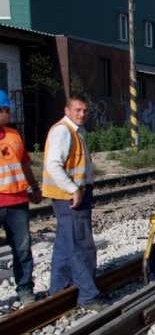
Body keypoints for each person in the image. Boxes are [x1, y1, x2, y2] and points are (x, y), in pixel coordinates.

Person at [42, 93, 102, 308]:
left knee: (64, 245)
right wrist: (73, 189)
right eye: (77, 110)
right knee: (81, 245)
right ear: (67, 110)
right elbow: (53, 164)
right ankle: (88, 296)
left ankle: (59, 290)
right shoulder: (63, 131)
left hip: (67, 198)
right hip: (71, 198)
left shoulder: (74, 131)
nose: (82, 114)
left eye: (85, 110)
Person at [0, 90, 42, 305]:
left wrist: (34, 187)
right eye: (7, 110)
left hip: (17, 202)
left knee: (22, 249)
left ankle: (25, 290)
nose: (10, 113)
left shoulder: (14, 135)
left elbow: (25, 164)